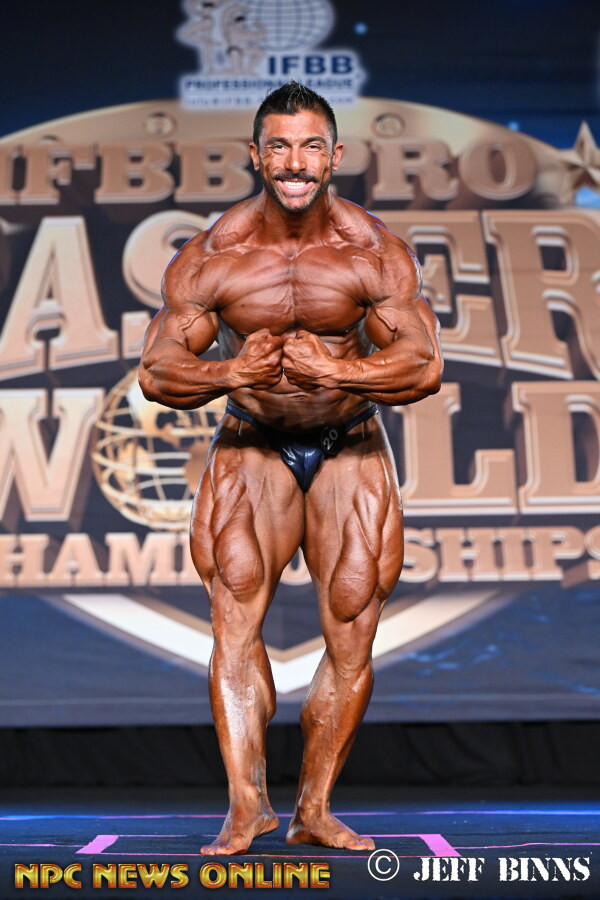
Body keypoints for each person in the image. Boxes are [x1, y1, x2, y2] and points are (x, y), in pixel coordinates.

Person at [139, 81, 443, 855]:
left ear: (334, 156)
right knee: (234, 623)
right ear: (256, 155)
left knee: (352, 626)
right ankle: (247, 807)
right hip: (252, 445)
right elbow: (158, 369)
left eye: (310, 146)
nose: (295, 161)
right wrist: (228, 374)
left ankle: (315, 807)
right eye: (279, 145)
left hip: (350, 445)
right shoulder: (214, 256)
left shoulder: (374, 252)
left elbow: (422, 364)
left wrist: (342, 371)